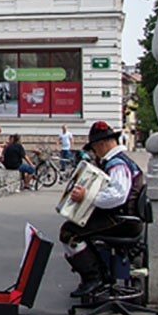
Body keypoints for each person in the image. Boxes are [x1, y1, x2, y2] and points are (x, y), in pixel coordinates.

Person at [61, 121, 144, 298]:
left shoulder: (117, 164)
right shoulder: (120, 161)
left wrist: (87, 197)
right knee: (76, 227)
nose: (95, 153)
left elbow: (117, 196)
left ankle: (94, 278)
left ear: (101, 144)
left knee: (69, 233)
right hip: (123, 218)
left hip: (121, 220)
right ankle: (100, 275)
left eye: (94, 149)